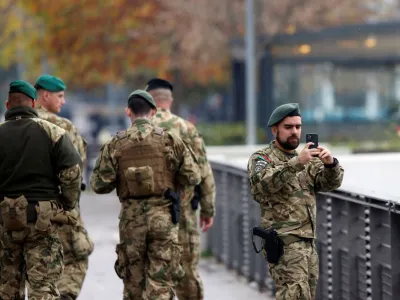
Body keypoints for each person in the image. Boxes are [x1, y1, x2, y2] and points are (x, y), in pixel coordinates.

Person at [90, 90, 201, 300]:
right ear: (153, 112)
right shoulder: (169, 140)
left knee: (133, 285)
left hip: (131, 221)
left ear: (128, 112)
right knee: (161, 283)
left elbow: (98, 185)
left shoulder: (116, 143)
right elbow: (193, 176)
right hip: (163, 218)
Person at [247, 103, 344, 300]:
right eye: (288, 127)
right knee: (294, 295)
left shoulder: (307, 159)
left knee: (306, 295)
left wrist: (330, 164)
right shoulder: (262, 158)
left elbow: (330, 183)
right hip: (284, 243)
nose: (294, 132)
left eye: (298, 127)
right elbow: (261, 186)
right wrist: (296, 163)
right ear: (275, 130)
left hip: (308, 244)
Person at [0, 80, 82, 299]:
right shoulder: (52, 132)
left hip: (5, 222)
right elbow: (73, 172)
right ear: (34, 103)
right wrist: (66, 203)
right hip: (42, 221)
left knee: (7, 289)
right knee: (43, 287)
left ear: (8, 105)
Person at [146, 78, 216, 300]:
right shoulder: (187, 128)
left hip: (148, 212)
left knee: (155, 273)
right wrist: (207, 209)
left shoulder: (140, 129)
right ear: (170, 100)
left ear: (149, 100)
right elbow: (204, 172)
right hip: (183, 211)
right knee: (186, 271)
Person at [34, 74, 94, 300]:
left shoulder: (13, 125)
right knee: (77, 254)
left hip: (20, 208)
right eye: (60, 96)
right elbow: (78, 166)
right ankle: (65, 295)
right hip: (60, 207)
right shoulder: (64, 127)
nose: (64, 101)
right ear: (45, 96)